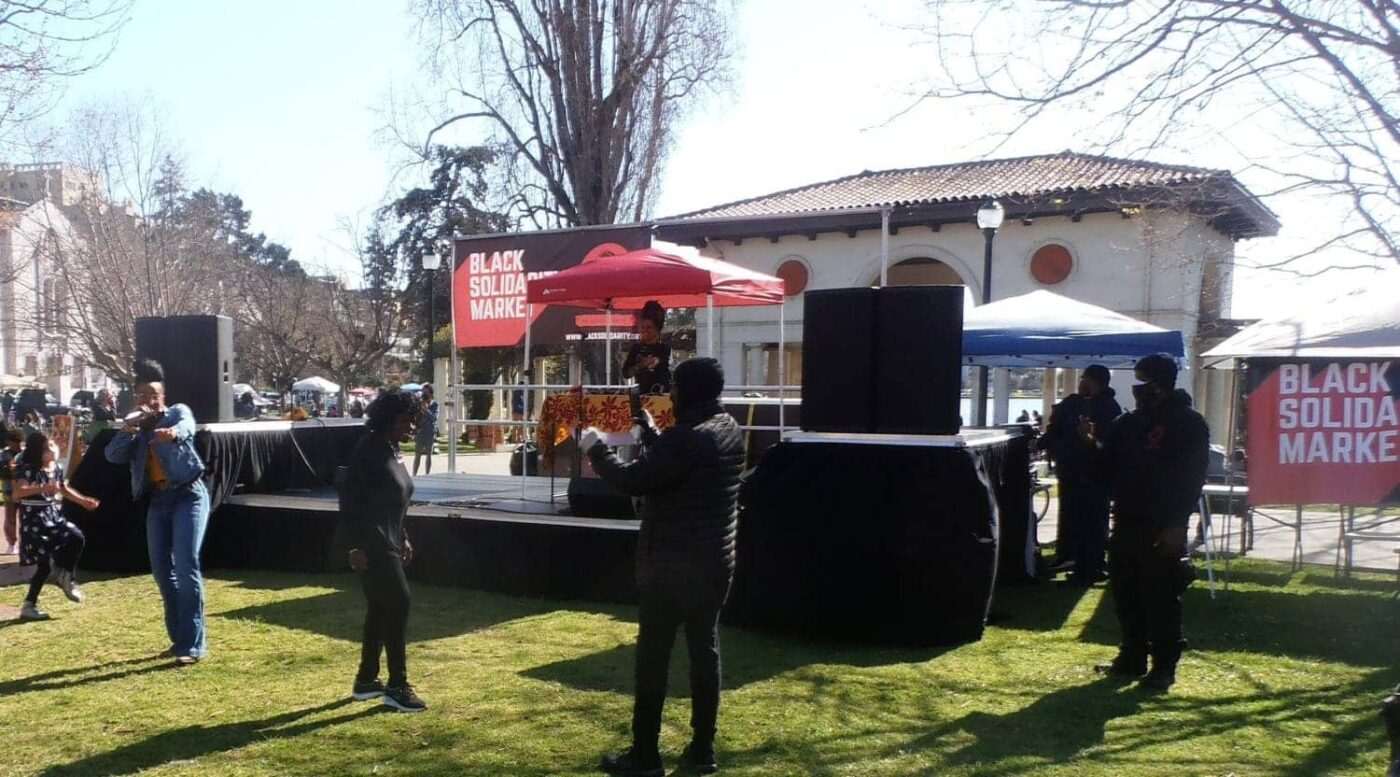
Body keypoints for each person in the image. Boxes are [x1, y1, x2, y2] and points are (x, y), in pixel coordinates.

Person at [581, 357, 743, 776]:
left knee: (652, 660)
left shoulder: (686, 440)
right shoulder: (727, 428)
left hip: (670, 567)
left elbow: (634, 480)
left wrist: (596, 449)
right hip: (714, 562)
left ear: (686, 390)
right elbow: (681, 469)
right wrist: (652, 433)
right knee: (704, 652)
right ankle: (703, 750)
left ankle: (645, 756)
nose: (670, 392)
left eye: (674, 385)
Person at [1085, 354, 1209, 692]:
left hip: (1163, 523)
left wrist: (1176, 524)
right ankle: (1132, 656)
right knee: (1126, 593)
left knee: (1162, 596)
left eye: (1142, 381)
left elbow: (1191, 478)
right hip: (1127, 519)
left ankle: (1164, 666)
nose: (1136, 388)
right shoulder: (1128, 424)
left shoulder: (1188, 423)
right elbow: (1105, 469)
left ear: (1158, 383)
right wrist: (1091, 445)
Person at [104, 359, 212, 665]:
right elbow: (112, 455)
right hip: (158, 501)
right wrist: (128, 428)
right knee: (163, 572)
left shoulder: (176, 412)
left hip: (188, 496)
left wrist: (173, 434)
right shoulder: (136, 432)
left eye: (152, 395)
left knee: (186, 566)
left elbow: (187, 426)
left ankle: (193, 645)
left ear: (161, 396)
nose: (147, 400)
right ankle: (179, 639)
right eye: (141, 396)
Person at [339, 390, 426, 712]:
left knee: (379, 608)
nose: (411, 427)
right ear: (387, 419)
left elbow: (395, 499)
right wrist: (353, 546)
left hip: (390, 537)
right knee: (399, 602)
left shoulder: (393, 449)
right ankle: (397, 685)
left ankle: (366, 680)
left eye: (413, 421)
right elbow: (349, 502)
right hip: (370, 541)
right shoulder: (369, 450)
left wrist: (403, 535)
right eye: (405, 421)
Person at [1042, 364, 1122, 585]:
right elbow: (1054, 430)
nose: (1081, 382)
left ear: (1097, 382)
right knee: (1072, 518)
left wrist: (1089, 440)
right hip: (1070, 472)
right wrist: (1043, 442)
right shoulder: (1071, 404)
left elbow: (1110, 446)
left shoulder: (1109, 408)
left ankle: (1091, 566)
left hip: (1096, 475)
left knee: (1094, 521)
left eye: (1085, 379)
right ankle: (1071, 557)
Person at [15, 432, 100, 620]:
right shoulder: (28, 469)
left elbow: (63, 489)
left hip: (53, 515)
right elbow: (18, 492)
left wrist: (84, 501)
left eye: (52, 445)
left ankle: (65, 575)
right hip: (35, 519)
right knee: (44, 566)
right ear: (38, 452)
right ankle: (29, 606)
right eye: (46, 448)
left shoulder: (56, 468)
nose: (52, 450)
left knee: (76, 537)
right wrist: (42, 488)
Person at [622, 300, 672, 395]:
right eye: (643, 327)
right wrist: (640, 365)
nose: (645, 331)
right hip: (641, 394)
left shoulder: (665, 347)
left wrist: (653, 361)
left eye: (649, 327)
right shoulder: (636, 348)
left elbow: (660, 361)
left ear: (657, 329)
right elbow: (626, 373)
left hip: (662, 395)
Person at [1, 428, 21, 555]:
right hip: (9, 489)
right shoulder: (3, 454)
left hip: (24, 489)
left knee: (25, 518)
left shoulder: (24, 453)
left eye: (17, 441)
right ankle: (11, 543)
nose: (15, 444)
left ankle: (23, 544)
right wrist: (9, 469)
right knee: (10, 518)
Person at [412, 385, 439, 476]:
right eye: (423, 392)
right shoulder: (419, 403)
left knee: (429, 454)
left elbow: (434, 418)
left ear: (431, 394)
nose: (424, 394)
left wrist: (426, 409)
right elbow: (415, 417)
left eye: (426, 392)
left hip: (430, 432)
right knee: (417, 455)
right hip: (420, 431)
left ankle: (427, 474)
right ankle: (414, 475)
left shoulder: (435, 404)